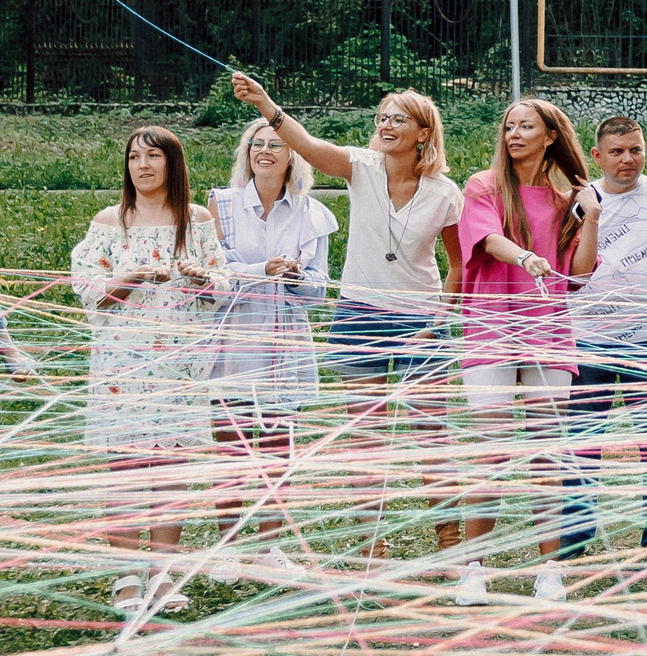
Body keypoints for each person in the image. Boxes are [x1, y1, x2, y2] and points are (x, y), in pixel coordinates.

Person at [231, 72, 465, 563]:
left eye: (398, 119)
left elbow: (458, 265)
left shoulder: (445, 193)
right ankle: (371, 547)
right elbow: (308, 145)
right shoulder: (360, 166)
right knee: (366, 438)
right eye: (381, 117)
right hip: (360, 316)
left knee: (432, 435)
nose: (385, 125)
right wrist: (266, 104)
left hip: (421, 321)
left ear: (423, 132)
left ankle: (449, 544)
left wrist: (439, 317)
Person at [69, 127, 226, 620]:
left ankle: (162, 572)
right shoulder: (110, 221)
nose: (142, 165)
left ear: (171, 165)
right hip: (124, 362)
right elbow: (87, 288)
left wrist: (204, 279)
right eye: (135, 157)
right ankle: (126, 575)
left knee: (170, 468)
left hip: (179, 362)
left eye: (153, 157)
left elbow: (222, 281)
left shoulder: (196, 221)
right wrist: (129, 277)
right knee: (127, 468)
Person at [450, 99, 601, 604]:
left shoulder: (567, 199)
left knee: (545, 456)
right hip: (492, 328)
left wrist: (593, 216)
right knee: (490, 453)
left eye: (526, 126)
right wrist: (526, 257)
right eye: (509, 125)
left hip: (549, 333)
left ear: (550, 136)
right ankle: (473, 569)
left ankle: (549, 570)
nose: (514, 133)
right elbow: (487, 238)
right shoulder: (483, 185)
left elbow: (578, 275)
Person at [557, 116, 647, 565]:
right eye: (617, 152)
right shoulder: (577, 201)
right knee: (583, 442)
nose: (628, 159)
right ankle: (575, 537)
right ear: (597, 156)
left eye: (636, 149)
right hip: (587, 340)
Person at [203, 119, 335, 581]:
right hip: (233, 335)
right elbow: (212, 272)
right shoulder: (219, 204)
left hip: (284, 340)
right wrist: (263, 268)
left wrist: (297, 276)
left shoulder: (311, 213)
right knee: (232, 442)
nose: (264, 151)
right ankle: (226, 545)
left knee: (279, 443)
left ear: (291, 155)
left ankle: (269, 545)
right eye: (257, 145)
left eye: (275, 144)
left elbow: (319, 290)